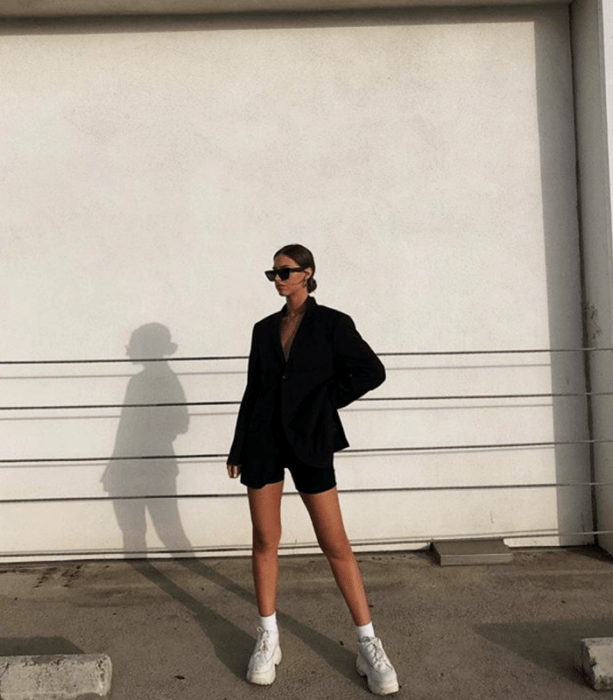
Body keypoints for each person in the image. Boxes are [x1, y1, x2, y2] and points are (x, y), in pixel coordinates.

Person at [226, 244, 399, 695]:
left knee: (335, 542)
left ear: (307, 273)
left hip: (311, 439)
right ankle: (268, 637)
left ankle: (368, 643)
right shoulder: (264, 330)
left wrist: (324, 403)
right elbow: (253, 389)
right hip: (263, 438)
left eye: (285, 272)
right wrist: (238, 445)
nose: (278, 279)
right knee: (265, 539)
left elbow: (371, 371)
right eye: (273, 273)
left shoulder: (332, 324)